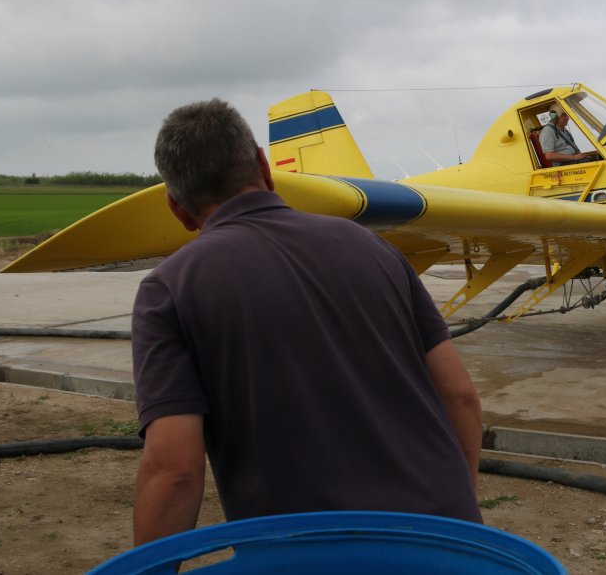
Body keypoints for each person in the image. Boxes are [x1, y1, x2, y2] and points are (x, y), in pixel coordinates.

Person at [130, 98, 483, 546]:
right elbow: (460, 396)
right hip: (445, 536)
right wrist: (463, 504)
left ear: (177, 209)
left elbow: (175, 470)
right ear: (263, 164)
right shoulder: (375, 248)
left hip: (314, 551)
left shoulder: (168, 289)